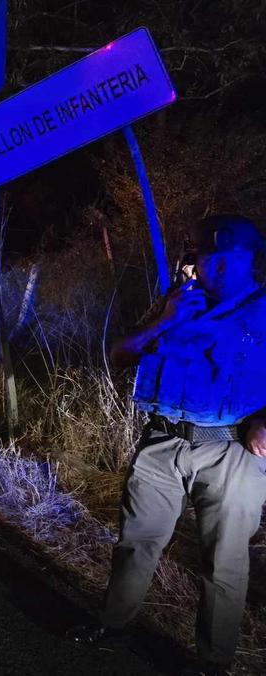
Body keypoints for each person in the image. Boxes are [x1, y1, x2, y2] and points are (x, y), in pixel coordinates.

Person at [73, 215, 266, 676]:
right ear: (194, 260)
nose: (216, 267)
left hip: (231, 450)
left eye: (228, 258)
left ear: (250, 260)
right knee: (136, 543)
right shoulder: (176, 301)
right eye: (206, 257)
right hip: (162, 442)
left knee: (225, 561)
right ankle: (113, 624)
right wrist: (165, 319)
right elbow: (121, 355)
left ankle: (213, 661)